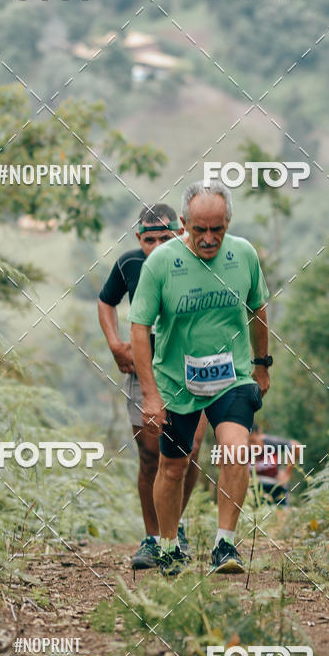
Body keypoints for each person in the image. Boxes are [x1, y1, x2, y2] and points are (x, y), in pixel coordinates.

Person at [129, 180, 271, 575]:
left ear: (228, 222)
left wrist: (261, 364)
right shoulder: (160, 263)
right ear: (184, 224)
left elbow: (257, 309)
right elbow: (139, 328)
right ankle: (169, 545)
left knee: (235, 449)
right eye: (199, 230)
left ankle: (225, 545)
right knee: (173, 467)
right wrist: (152, 395)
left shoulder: (243, 255)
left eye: (217, 230)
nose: (209, 239)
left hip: (232, 376)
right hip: (177, 381)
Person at [98, 203, 206, 570]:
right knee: (149, 456)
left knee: (188, 452)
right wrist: (115, 344)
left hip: (194, 370)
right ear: (138, 239)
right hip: (144, 372)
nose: (158, 245)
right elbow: (105, 301)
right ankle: (153, 536)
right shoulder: (130, 264)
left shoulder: (200, 260)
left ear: (181, 232)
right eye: (149, 239)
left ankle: (173, 530)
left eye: (166, 237)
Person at [248, 423, 304, 505]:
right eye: (248, 443)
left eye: (253, 441)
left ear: (260, 434)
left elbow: (296, 446)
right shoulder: (242, 449)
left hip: (276, 485)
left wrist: (287, 474)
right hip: (254, 488)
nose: (251, 446)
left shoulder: (271, 443)